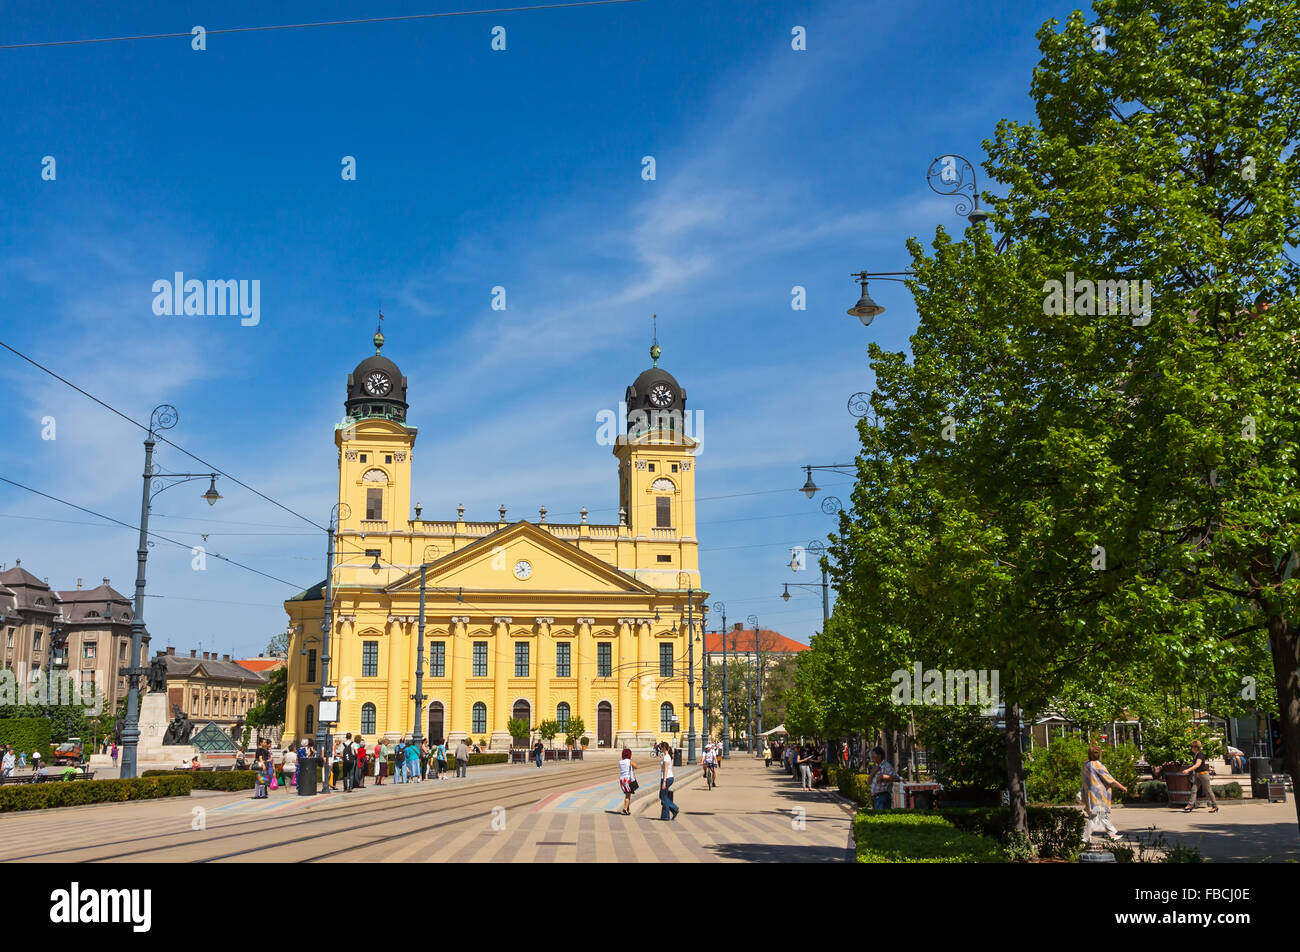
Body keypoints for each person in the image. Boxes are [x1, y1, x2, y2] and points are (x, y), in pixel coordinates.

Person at [1081, 745, 1127, 842]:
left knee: (1101, 815)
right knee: (1096, 816)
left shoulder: (1086, 765)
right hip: (1099, 795)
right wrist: (1122, 787)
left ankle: (1111, 834)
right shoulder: (1098, 765)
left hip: (1090, 794)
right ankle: (1085, 837)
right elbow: (1110, 779)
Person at [1182, 740, 1218, 813]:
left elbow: (1198, 764)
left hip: (1203, 774)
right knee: (1194, 790)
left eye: (1192, 746)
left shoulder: (1200, 755)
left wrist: (1188, 770)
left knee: (1208, 790)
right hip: (1198, 775)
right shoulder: (1196, 755)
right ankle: (1190, 805)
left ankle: (1215, 806)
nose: (1191, 748)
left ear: (1196, 747)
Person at [659, 742, 678, 820]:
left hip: (666, 778)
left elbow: (666, 769)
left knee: (663, 797)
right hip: (668, 777)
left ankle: (674, 809)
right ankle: (665, 815)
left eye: (661, 748)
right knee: (663, 796)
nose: (660, 749)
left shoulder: (666, 757)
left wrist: (664, 781)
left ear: (664, 748)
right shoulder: (668, 756)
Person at [618, 747, 637, 815]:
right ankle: (625, 809)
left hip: (622, 779)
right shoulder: (629, 761)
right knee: (628, 795)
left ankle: (627, 810)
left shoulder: (620, 762)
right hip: (628, 779)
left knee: (627, 794)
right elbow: (636, 766)